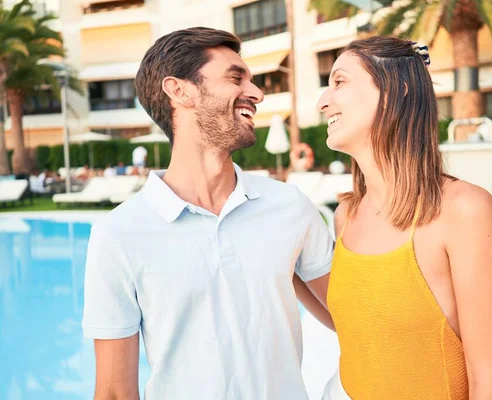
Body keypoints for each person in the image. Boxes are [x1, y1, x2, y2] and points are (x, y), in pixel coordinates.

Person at [82, 27, 334, 400]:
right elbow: (116, 391)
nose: (257, 93)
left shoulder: (290, 207)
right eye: (236, 78)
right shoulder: (118, 234)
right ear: (180, 90)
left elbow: (355, 318)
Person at [316, 36, 492, 399]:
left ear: (397, 89)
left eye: (339, 81)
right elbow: (362, 333)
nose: (322, 102)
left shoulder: (464, 210)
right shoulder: (346, 215)